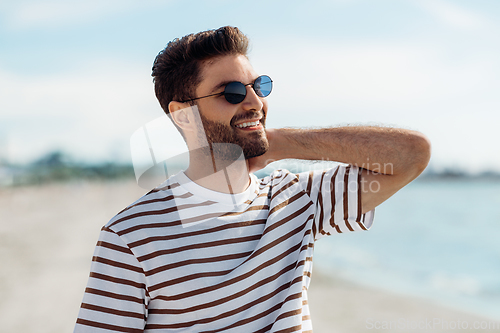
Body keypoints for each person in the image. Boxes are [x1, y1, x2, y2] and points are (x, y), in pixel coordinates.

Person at [74, 26, 431, 332]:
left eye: (258, 86)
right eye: (231, 92)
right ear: (184, 115)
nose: (254, 101)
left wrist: (279, 142)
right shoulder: (130, 235)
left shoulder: (298, 199)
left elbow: (410, 155)